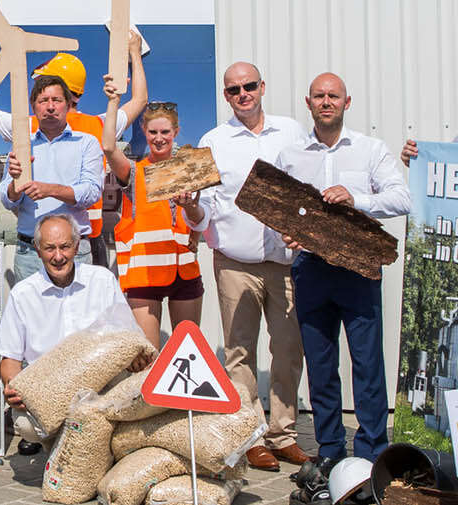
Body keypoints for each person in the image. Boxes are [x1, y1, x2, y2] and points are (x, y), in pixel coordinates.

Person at [276, 72, 410, 466]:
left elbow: (401, 198)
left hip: (359, 269)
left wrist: (357, 199)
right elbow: (284, 211)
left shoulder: (370, 150)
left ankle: (372, 451)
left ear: (347, 103)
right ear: (308, 102)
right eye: (319, 96)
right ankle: (331, 451)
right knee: (320, 366)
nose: (326, 102)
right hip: (310, 269)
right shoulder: (292, 155)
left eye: (334, 96)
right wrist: (289, 232)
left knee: (368, 364)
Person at [0, 33, 147, 254]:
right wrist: (134, 54)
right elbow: (139, 101)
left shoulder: (24, 126)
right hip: (86, 240)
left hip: (43, 243)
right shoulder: (100, 125)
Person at [190, 61, 310, 470]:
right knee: (239, 352)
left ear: (262, 86)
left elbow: (308, 189)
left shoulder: (293, 132)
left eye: (249, 86)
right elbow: (202, 209)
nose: (243, 94)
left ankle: (283, 434)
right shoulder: (213, 140)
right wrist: (190, 210)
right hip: (235, 262)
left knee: (289, 350)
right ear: (226, 95)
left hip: (286, 262)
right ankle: (250, 437)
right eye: (233, 89)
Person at [0, 215, 143, 453]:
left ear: (77, 245)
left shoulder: (102, 281)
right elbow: (9, 359)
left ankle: (92, 450)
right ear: (38, 250)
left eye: (65, 247)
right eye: (50, 248)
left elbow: (129, 337)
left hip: (99, 390)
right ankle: (69, 449)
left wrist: (137, 357)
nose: (58, 256)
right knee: (24, 424)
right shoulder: (23, 294)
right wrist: (12, 386)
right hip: (51, 395)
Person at [102, 98, 203, 345]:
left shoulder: (189, 171)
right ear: (145, 133)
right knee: (148, 356)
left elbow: (199, 219)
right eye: (153, 132)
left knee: (186, 351)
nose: (159, 138)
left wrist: (190, 207)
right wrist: (113, 102)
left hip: (184, 272)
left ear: (175, 133)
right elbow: (108, 147)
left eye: (165, 132)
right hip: (144, 276)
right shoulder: (134, 172)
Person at [0, 74, 103, 282]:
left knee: (78, 315)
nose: (50, 106)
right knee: (32, 315)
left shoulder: (87, 143)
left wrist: (51, 190)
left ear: (68, 104)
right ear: (33, 107)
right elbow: (6, 199)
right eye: (43, 101)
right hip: (29, 251)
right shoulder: (21, 144)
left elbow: (92, 192)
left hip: (75, 251)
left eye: (57, 100)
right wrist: (14, 186)